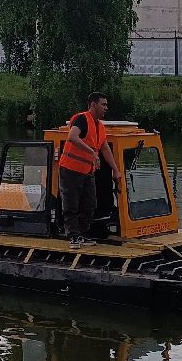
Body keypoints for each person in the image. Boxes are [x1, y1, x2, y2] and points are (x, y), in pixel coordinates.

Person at [58, 92, 120, 249]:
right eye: (103, 104)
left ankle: (83, 234)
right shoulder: (81, 119)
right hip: (70, 169)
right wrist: (92, 152)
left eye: (106, 104)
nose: (106, 107)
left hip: (87, 171)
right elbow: (72, 137)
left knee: (90, 204)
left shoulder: (100, 126)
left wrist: (115, 170)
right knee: (71, 204)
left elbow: (105, 148)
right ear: (93, 104)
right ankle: (73, 236)